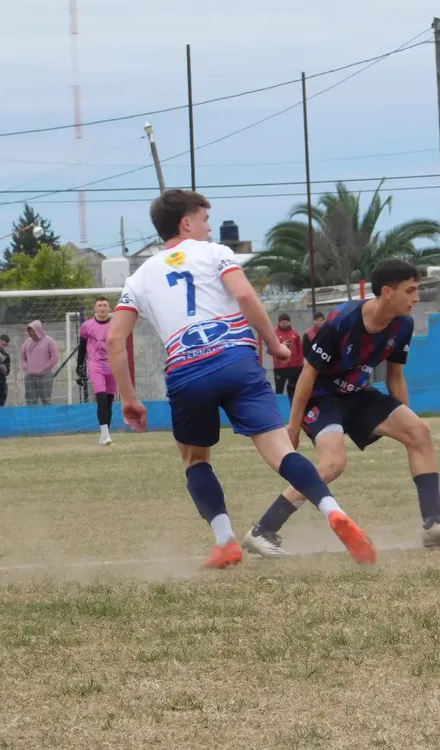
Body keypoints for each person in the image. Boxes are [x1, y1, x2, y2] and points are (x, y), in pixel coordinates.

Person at [106, 188, 375, 569]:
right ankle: (332, 511)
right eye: (204, 219)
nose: (209, 227)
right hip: (236, 358)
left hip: (186, 369)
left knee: (195, 459)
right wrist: (274, 344)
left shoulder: (137, 279)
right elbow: (245, 296)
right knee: (282, 452)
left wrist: (129, 399)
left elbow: (115, 339)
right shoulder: (216, 254)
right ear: (186, 223)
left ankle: (225, 542)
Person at [243, 258, 440, 558]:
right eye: (411, 290)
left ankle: (434, 525)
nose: (417, 298)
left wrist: (404, 417)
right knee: (333, 464)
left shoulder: (403, 324)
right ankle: (262, 531)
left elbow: (395, 377)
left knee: (419, 431)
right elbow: (307, 375)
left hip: (357, 393)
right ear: (387, 292)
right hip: (321, 396)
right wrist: (292, 428)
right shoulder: (342, 322)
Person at [77, 296, 117, 446]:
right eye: (99, 305)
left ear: (109, 308)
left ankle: (105, 434)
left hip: (112, 366)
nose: (102, 307)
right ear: (95, 308)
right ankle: (105, 434)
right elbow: (82, 347)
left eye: (105, 305)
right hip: (96, 366)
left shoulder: (115, 326)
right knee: (101, 399)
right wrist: (79, 367)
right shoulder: (87, 326)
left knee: (109, 402)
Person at [21, 321, 60, 405]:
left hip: (44, 375)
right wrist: (26, 367)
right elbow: (23, 357)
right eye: (29, 331)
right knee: (30, 401)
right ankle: (32, 417)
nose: (31, 333)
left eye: (32, 330)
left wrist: (45, 369)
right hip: (30, 376)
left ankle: (47, 417)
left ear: (38, 330)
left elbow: (55, 357)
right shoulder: (27, 342)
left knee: (46, 400)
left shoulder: (49, 341)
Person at [272, 313, 304, 401]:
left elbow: (300, 349)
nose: (285, 324)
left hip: (293, 366)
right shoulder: (274, 333)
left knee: (294, 389)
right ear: (279, 323)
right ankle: (279, 407)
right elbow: (271, 348)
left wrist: (300, 364)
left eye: (286, 322)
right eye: (283, 322)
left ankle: (293, 406)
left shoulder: (295, 333)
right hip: (280, 367)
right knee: (279, 390)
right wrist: (281, 345)